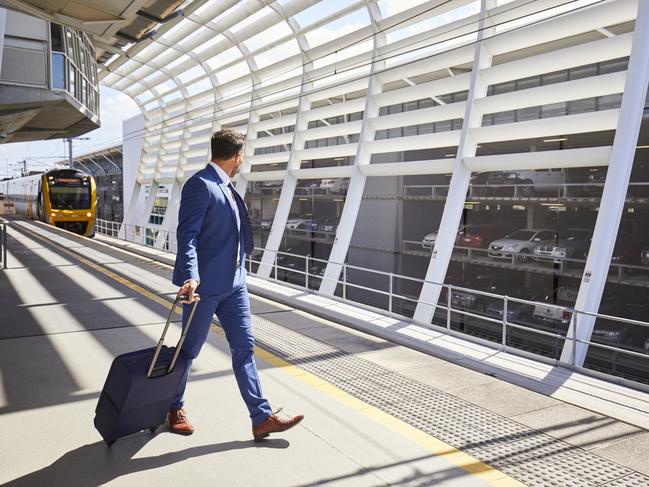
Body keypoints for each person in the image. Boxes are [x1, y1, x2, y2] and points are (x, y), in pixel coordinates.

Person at [170, 129, 304, 440]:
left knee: (244, 348)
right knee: (189, 350)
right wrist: (190, 276)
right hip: (204, 289)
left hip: (235, 285)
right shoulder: (200, 185)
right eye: (243, 156)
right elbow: (186, 235)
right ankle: (173, 407)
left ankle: (261, 417)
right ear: (237, 156)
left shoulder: (226, 186)